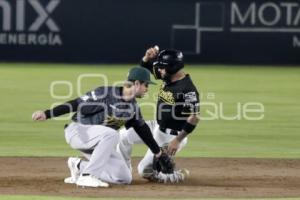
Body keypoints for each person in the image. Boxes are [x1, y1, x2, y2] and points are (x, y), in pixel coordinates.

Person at [32, 67, 174, 188]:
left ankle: (78, 166)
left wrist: (159, 153)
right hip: (77, 131)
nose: (147, 89)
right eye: (146, 85)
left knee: (124, 177)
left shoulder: (133, 107)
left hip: (98, 143)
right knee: (113, 134)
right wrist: (47, 114)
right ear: (136, 83)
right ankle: (88, 176)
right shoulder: (105, 94)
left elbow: (144, 132)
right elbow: (76, 103)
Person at [117, 47, 200, 183]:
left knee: (144, 170)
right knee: (122, 136)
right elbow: (143, 72)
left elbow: (194, 117)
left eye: (162, 67)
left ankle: (176, 175)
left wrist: (177, 141)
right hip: (157, 126)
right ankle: (124, 174)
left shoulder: (188, 90)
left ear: (172, 67)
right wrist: (146, 58)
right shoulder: (167, 75)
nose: (159, 70)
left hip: (172, 135)